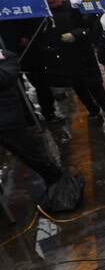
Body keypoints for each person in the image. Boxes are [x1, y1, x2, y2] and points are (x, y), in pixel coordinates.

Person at [38, 0, 105, 118]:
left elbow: (92, 29)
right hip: (63, 57)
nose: (48, 0)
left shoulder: (75, 7)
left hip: (83, 54)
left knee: (94, 84)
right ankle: (92, 109)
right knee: (78, 86)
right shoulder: (43, 15)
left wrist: (77, 34)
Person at [0, 50, 64, 189]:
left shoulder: (7, 58)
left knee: (33, 157)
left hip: (7, 122)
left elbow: (5, 78)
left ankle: (57, 183)